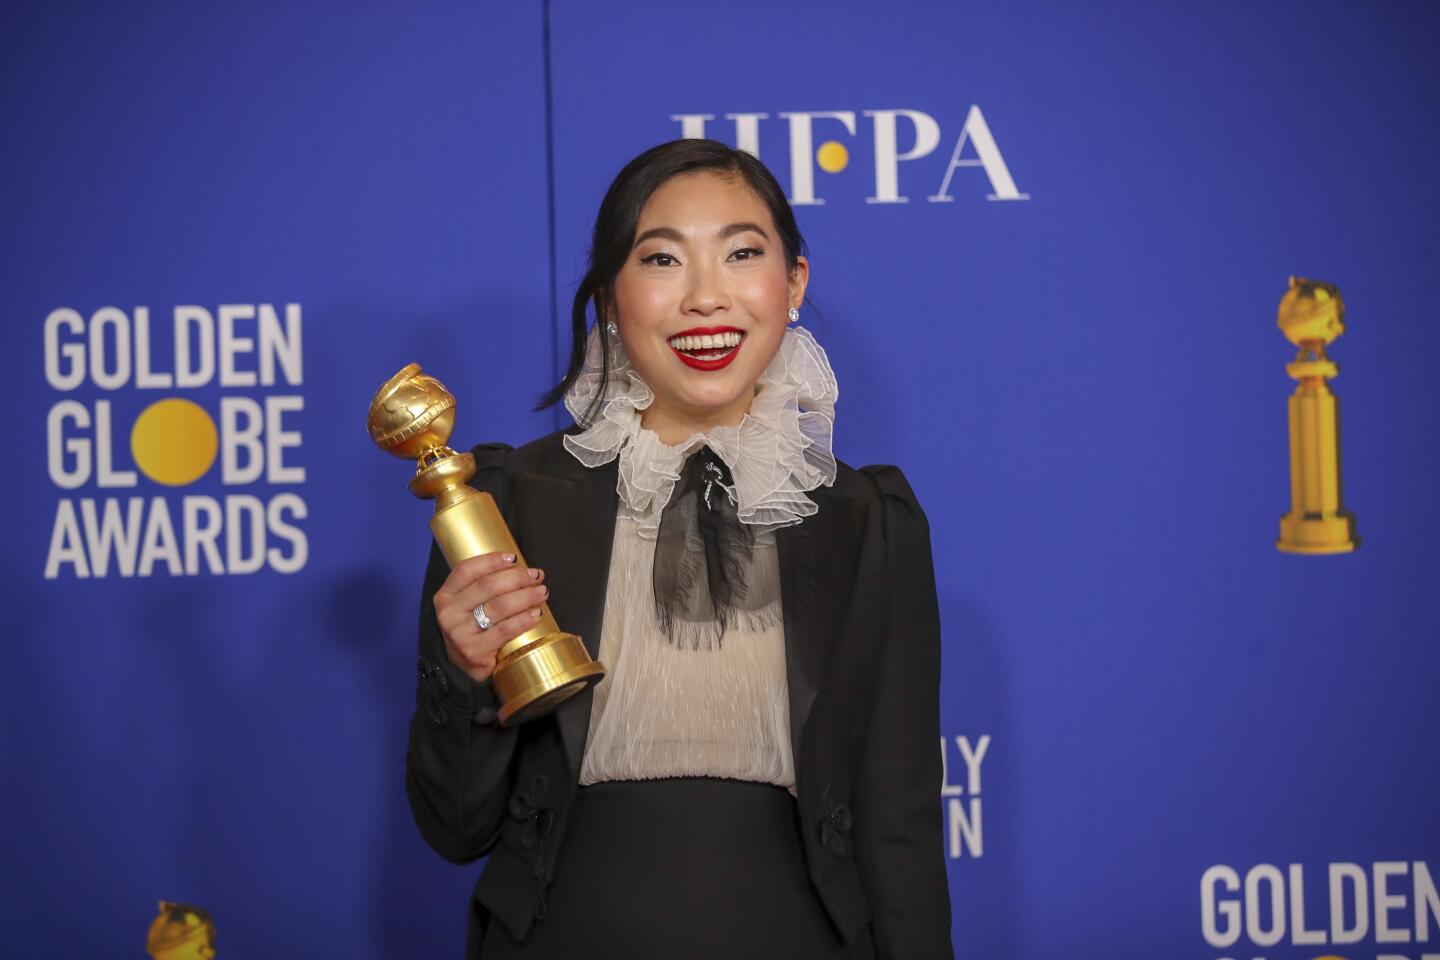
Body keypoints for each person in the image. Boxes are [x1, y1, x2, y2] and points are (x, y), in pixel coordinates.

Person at [408, 138, 952, 959]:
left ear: (794, 283)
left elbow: (901, 832)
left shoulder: (869, 521)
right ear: (608, 301)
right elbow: (457, 829)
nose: (706, 297)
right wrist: (466, 676)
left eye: (742, 253)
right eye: (662, 259)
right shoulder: (506, 504)